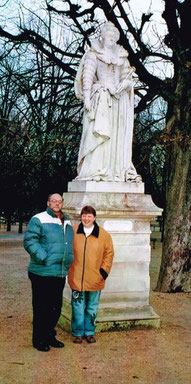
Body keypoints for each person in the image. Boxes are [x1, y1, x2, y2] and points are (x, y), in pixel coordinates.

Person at [74, 21, 141, 182]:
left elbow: (128, 77)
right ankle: (96, 170)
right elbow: (87, 77)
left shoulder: (122, 57)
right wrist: (88, 98)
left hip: (119, 102)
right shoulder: (93, 54)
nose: (111, 37)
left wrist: (127, 84)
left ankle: (116, 172)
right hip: (101, 99)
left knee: (118, 138)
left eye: (114, 35)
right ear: (102, 36)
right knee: (100, 137)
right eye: (108, 34)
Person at [24, 193, 74, 352]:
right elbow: (30, 241)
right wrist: (43, 257)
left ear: (62, 204)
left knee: (55, 308)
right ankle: (39, 340)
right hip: (42, 272)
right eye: (54, 201)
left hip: (59, 272)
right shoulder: (38, 219)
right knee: (41, 307)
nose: (57, 203)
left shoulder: (67, 221)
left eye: (59, 201)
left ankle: (49, 336)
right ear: (48, 203)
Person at [68, 205, 114, 344]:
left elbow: (109, 254)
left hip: (95, 278)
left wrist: (103, 272)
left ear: (94, 217)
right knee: (77, 306)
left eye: (89, 216)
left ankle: (89, 332)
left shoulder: (104, 235)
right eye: (83, 215)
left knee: (92, 307)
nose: (86, 218)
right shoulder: (73, 231)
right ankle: (77, 333)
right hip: (77, 277)